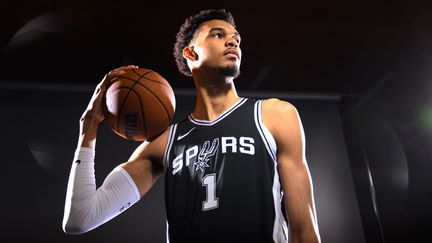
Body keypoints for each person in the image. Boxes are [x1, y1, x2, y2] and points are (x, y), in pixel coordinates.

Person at [62, 9, 321, 243]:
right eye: (218, 35)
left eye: (236, 38)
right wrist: (88, 128)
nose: (233, 41)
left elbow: (304, 231)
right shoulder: (166, 142)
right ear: (190, 52)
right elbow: (80, 219)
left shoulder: (274, 114)